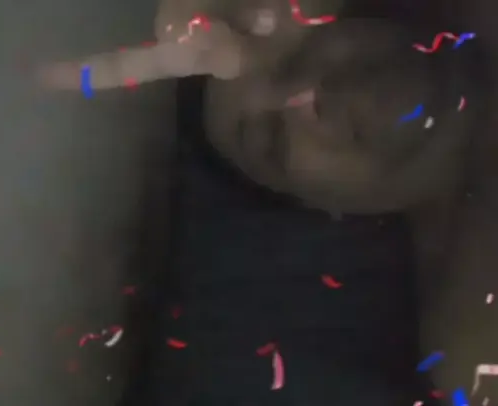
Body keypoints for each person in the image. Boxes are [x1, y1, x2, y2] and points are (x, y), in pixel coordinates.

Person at [40, 0, 493, 403]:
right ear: (326, 210)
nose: (306, 96)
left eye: (295, 58)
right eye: (271, 139)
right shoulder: (473, 346)